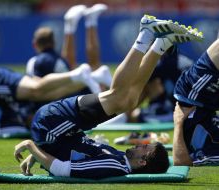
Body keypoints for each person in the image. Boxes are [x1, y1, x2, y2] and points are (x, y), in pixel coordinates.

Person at [14, 15, 203, 179]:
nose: (141, 145)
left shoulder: (114, 166)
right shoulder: (120, 161)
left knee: (120, 98)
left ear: (142, 162)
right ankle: (161, 43)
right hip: (60, 129)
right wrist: (42, 151)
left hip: (50, 126)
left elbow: (62, 169)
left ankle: (147, 34)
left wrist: (34, 148)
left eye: (145, 148)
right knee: (128, 101)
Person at [0, 64, 101, 138]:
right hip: (7, 91)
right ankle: (95, 76)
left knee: (36, 89)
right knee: (51, 93)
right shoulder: (18, 117)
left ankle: (77, 74)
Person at [173, 39, 219, 166]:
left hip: (194, 100)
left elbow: (180, 162)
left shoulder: (203, 152)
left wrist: (178, 123)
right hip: (204, 102)